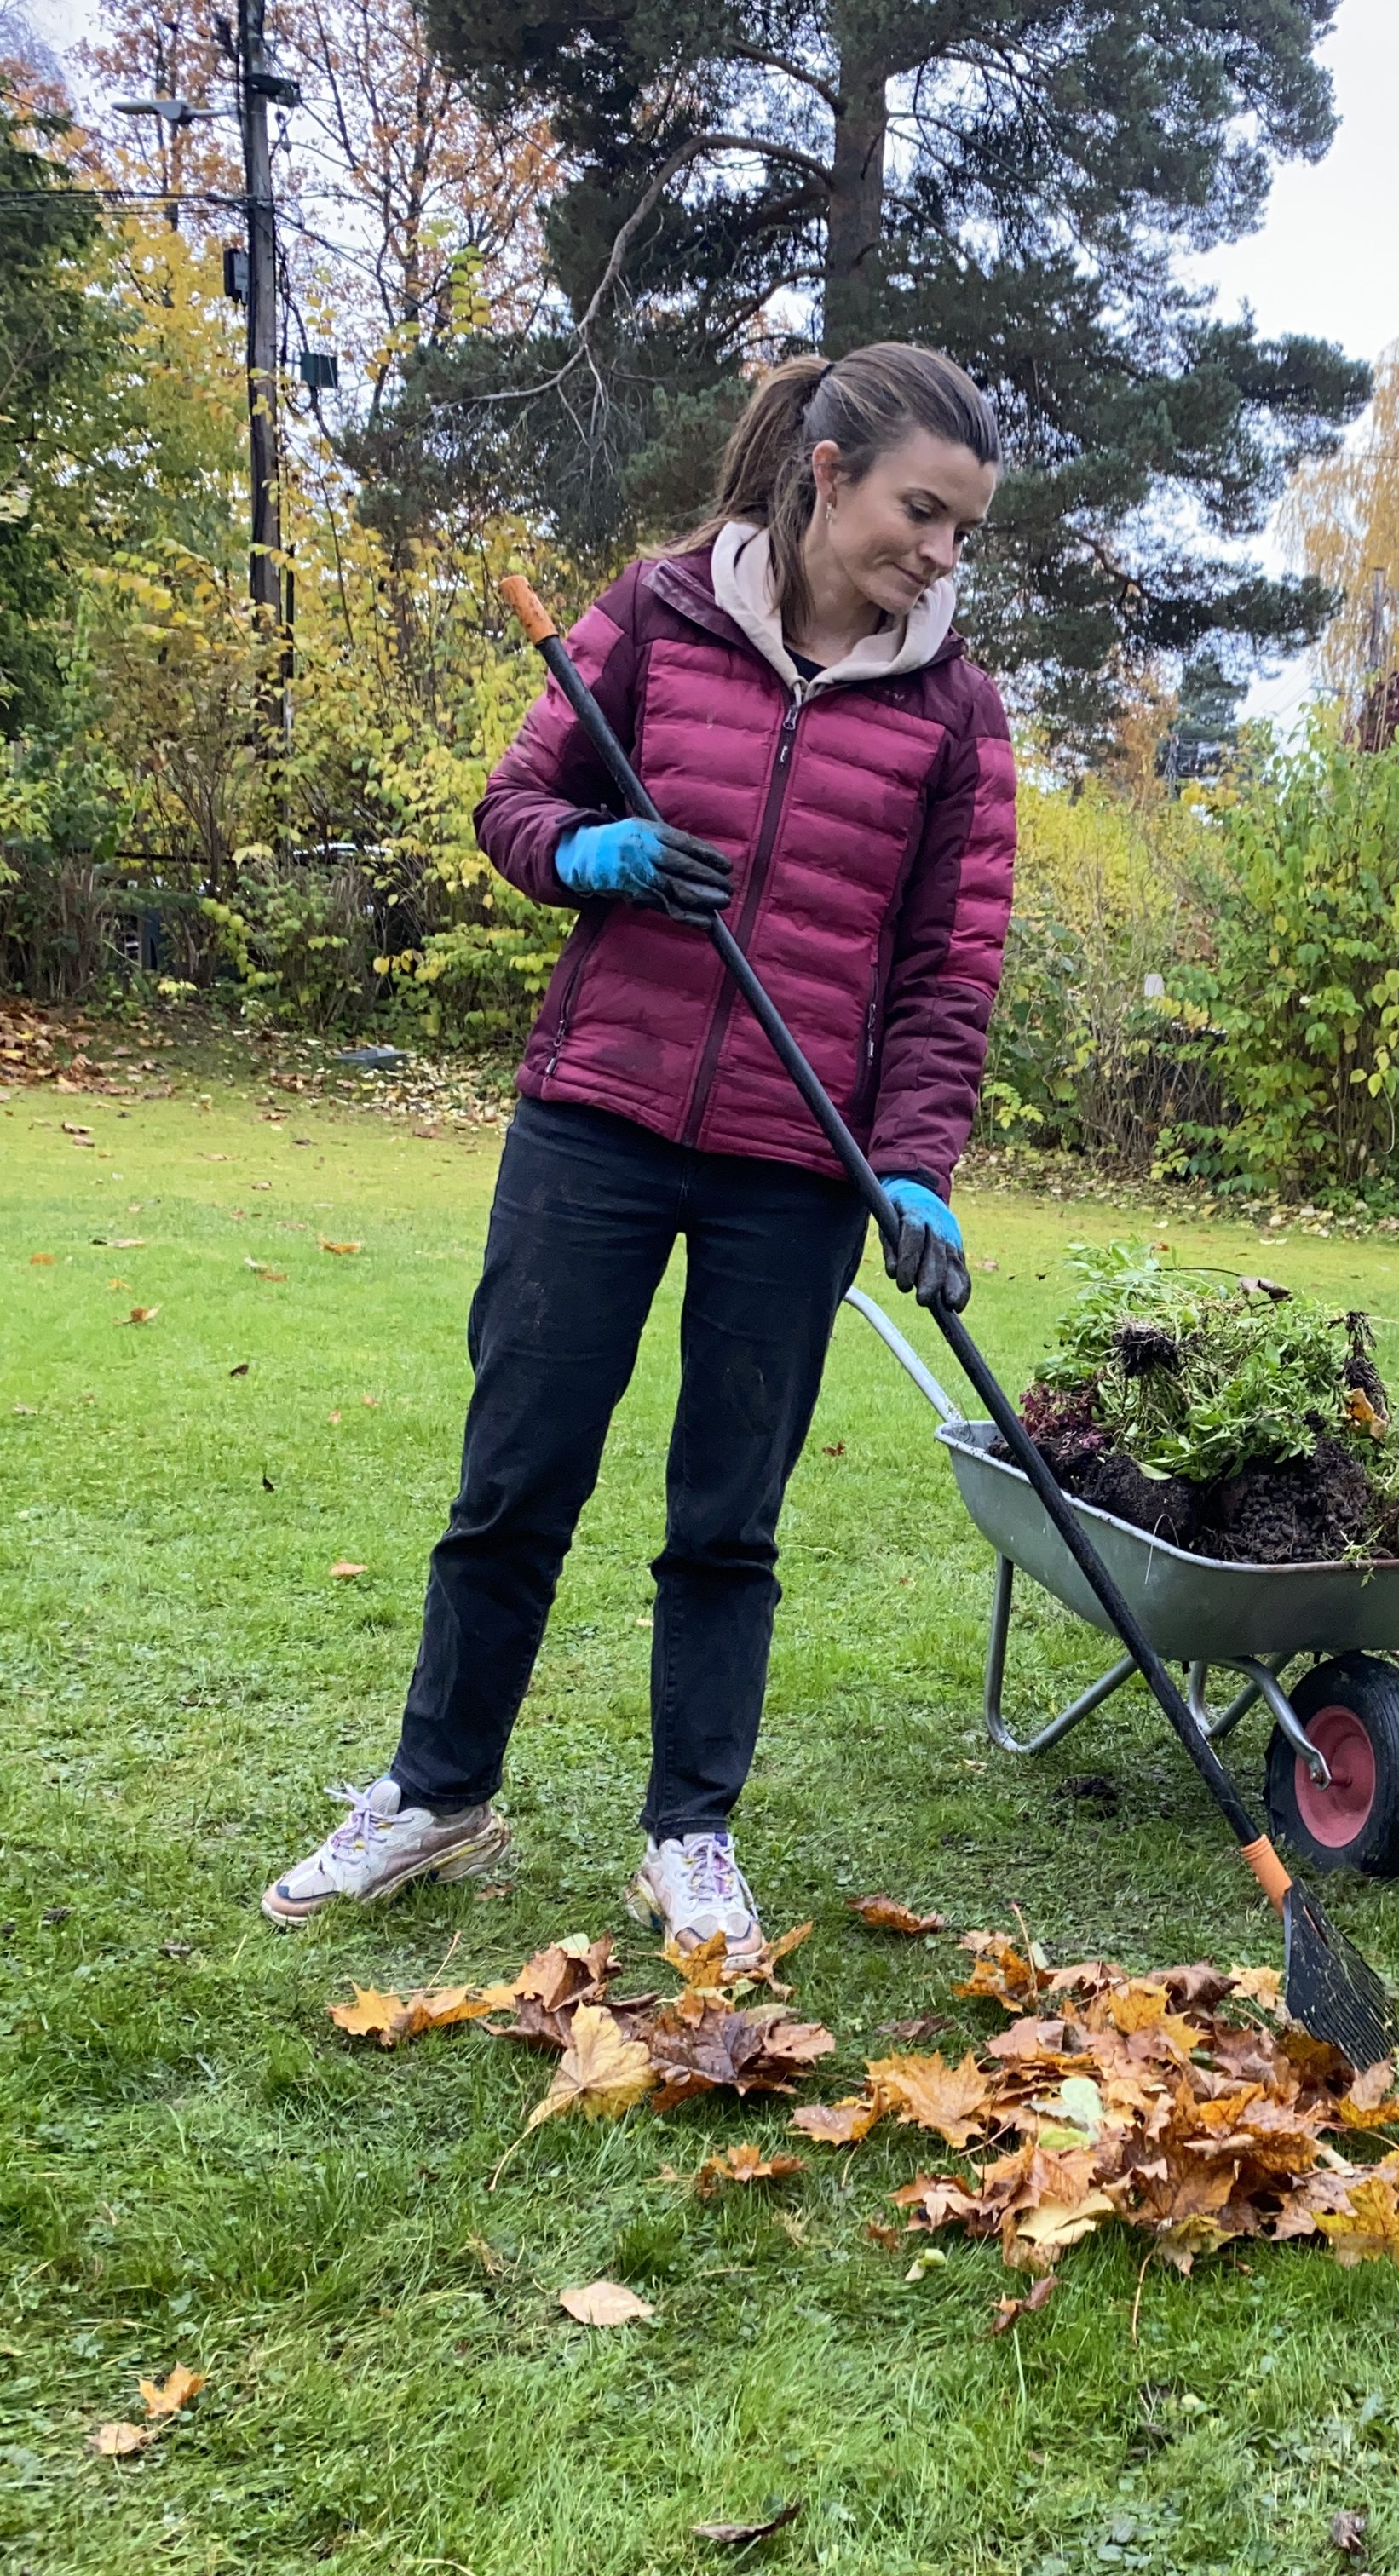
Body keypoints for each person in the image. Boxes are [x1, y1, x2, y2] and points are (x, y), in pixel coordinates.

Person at [261, 344, 1015, 1964]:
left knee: (727, 1515)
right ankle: (437, 1793)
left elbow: (952, 965)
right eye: (921, 512)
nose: (941, 556)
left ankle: (692, 1836)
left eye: (963, 532)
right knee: (515, 1478)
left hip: (799, 1166)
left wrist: (917, 1160)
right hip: (594, 1118)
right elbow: (514, 804)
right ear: (828, 471)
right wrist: (589, 853)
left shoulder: (958, 712)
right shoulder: (658, 615)